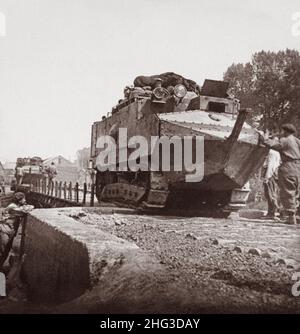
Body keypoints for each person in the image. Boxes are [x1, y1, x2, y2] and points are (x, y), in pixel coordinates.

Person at [260, 123, 300, 224]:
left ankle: (291, 217)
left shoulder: (285, 140)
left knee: (287, 192)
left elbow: (271, 144)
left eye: (282, 131)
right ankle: (295, 215)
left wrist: (265, 136)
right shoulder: (297, 140)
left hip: (288, 167)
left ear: (285, 131)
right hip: (298, 167)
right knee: (296, 191)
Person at [0, 192, 33, 263]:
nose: (25, 200)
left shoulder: (16, 206)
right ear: (20, 200)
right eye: (24, 199)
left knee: (6, 251)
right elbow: (25, 211)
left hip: (9, 232)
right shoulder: (13, 207)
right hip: (4, 231)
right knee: (2, 251)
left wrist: (25, 205)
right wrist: (26, 206)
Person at [262, 149, 281, 219]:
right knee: (270, 193)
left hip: (270, 175)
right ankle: (271, 212)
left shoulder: (271, 152)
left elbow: (271, 165)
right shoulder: (274, 152)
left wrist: (267, 177)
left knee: (270, 194)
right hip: (272, 175)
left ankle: (272, 212)